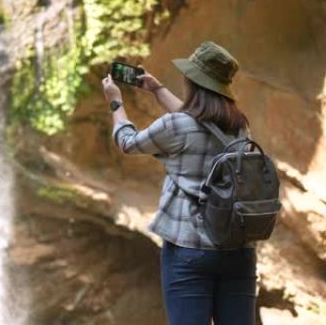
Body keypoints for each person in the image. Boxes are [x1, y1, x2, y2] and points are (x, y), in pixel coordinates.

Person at [101, 41, 256, 325]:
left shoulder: (176, 126)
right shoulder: (239, 127)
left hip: (189, 250)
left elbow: (128, 143)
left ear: (192, 82)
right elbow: (199, 123)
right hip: (238, 250)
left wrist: (116, 102)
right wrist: (157, 90)